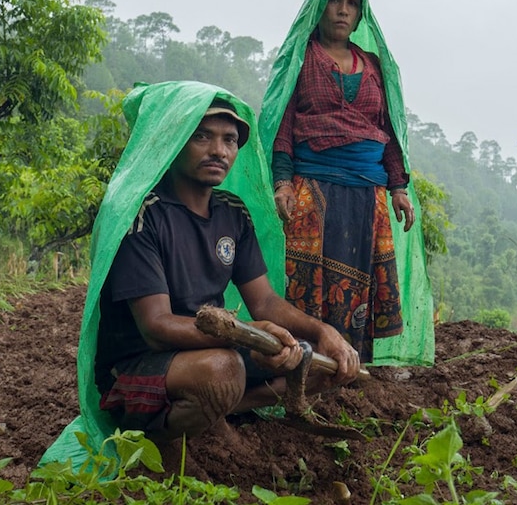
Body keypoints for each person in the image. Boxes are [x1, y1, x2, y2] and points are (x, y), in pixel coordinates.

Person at [40, 81, 359, 466]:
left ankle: (219, 409)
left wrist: (324, 332)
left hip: (213, 350)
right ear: (174, 140)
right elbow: (156, 328)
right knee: (222, 370)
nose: (218, 151)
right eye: (202, 136)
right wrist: (253, 340)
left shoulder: (232, 212)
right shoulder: (144, 216)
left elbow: (265, 301)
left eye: (229, 140)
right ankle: (156, 441)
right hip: (142, 366)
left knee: (316, 363)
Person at [260, 0, 426, 364]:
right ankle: (305, 361)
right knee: (307, 282)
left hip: (368, 190)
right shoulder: (302, 60)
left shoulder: (372, 65)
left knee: (360, 276)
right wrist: (282, 182)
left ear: (360, 13)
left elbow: (388, 130)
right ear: (320, 7)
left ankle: (353, 364)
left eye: (352, 3)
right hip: (313, 187)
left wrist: (399, 188)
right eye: (336, 1)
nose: (343, 10)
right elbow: (282, 123)